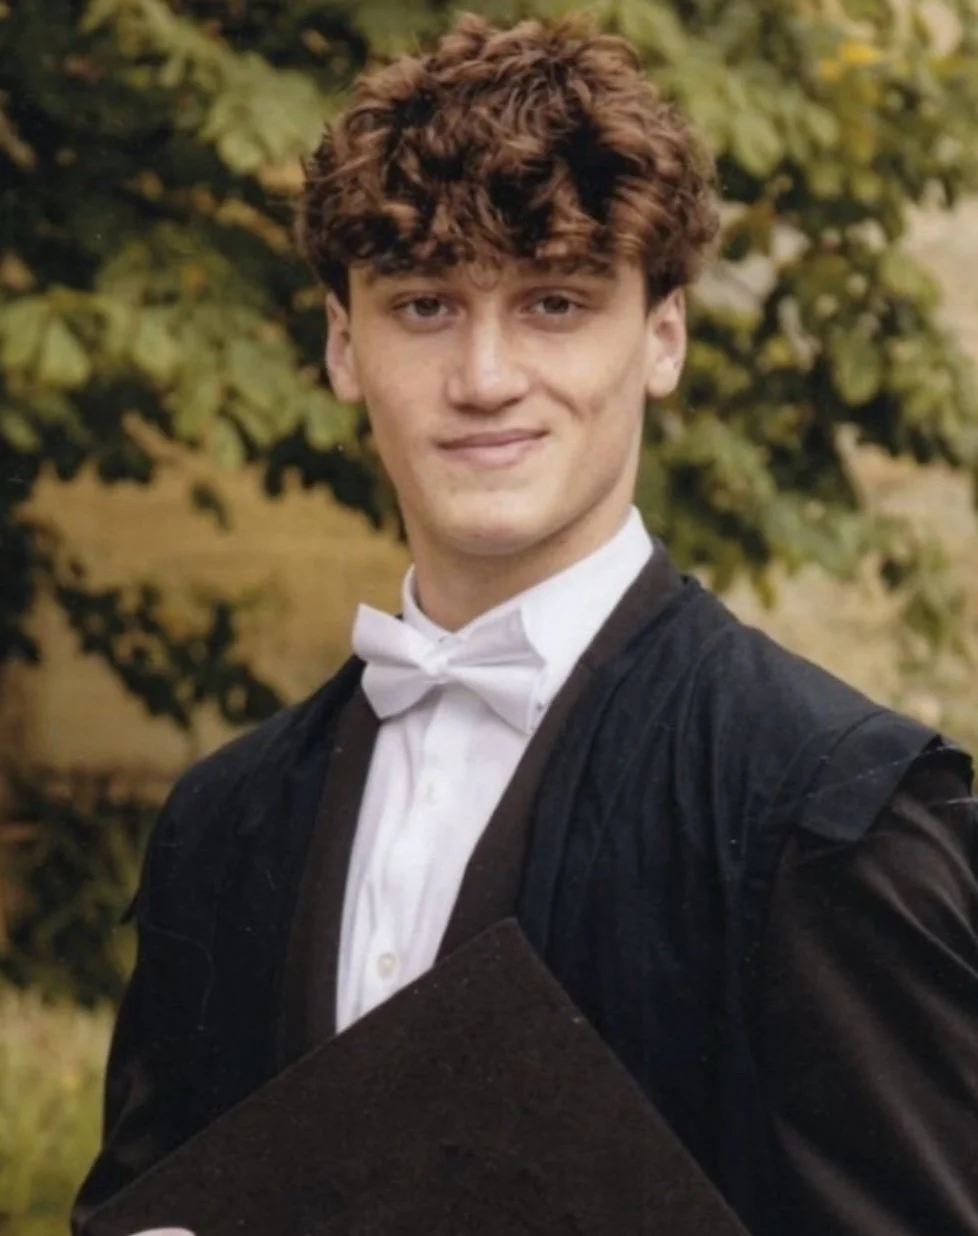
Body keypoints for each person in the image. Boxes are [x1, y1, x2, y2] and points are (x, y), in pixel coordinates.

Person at [74, 12, 978, 1236]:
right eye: (426, 306)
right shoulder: (223, 823)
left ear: (662, 337)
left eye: (554, 302)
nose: (486, 377)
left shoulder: (830, 816)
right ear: (345, 346)